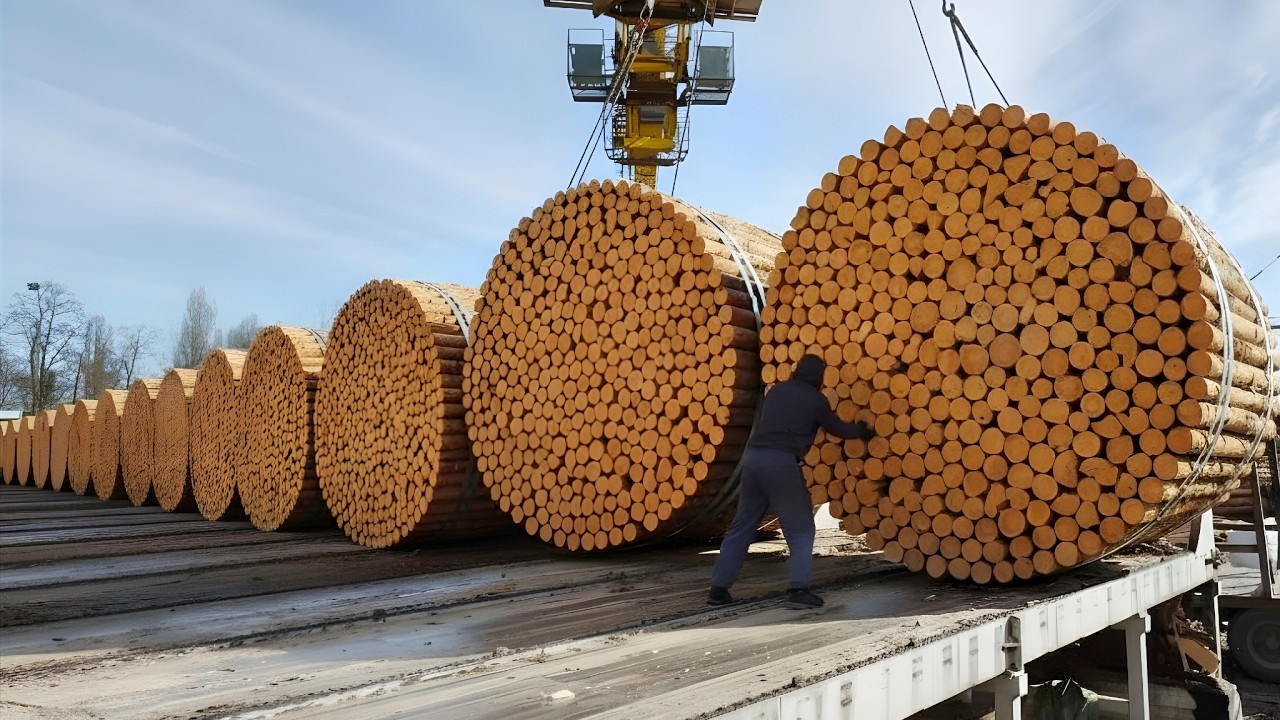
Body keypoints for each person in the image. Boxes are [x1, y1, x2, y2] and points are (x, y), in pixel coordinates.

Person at [708, 354, 873, 609]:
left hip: (753, 461)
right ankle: (799, 589)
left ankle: (717, 590)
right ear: (818, 377)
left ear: (797, 371)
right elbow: (837, 429)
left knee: (742, 526)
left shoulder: (775, 391)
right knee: (801, 527)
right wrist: (863, 430)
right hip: (781, 463)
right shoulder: (816, 400)